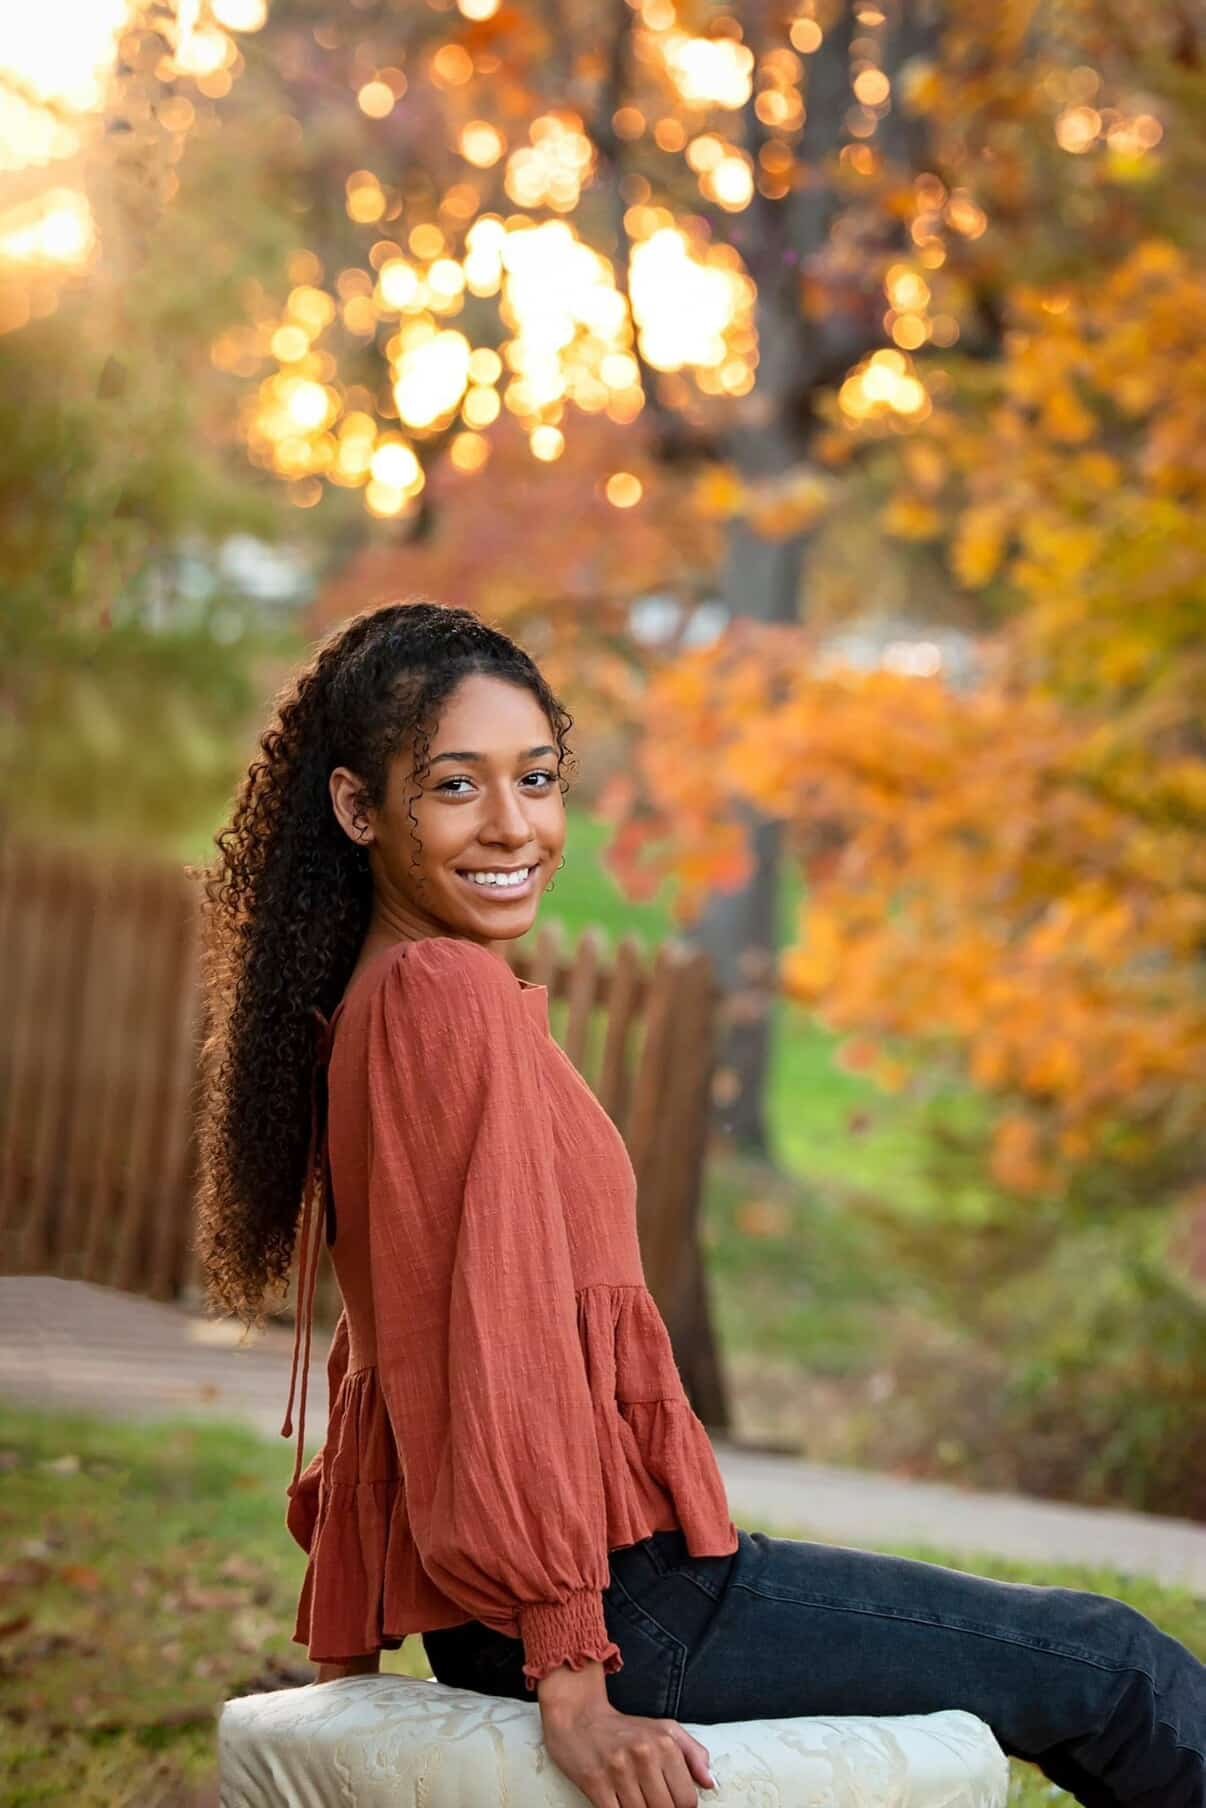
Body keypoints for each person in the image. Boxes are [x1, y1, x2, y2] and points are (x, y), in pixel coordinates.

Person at [194, 598, 1204, 1808]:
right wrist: (574, 1672)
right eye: (456, 785)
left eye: (539, 776)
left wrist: (354, 1642)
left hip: (531, 1612)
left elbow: (401, 1338)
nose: (514, 823)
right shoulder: (441, 995)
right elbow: (497, 1348)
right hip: (618, 1609)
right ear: (359, 808)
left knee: (1089, 1658)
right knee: (1115, 1663)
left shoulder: (374, 1001)